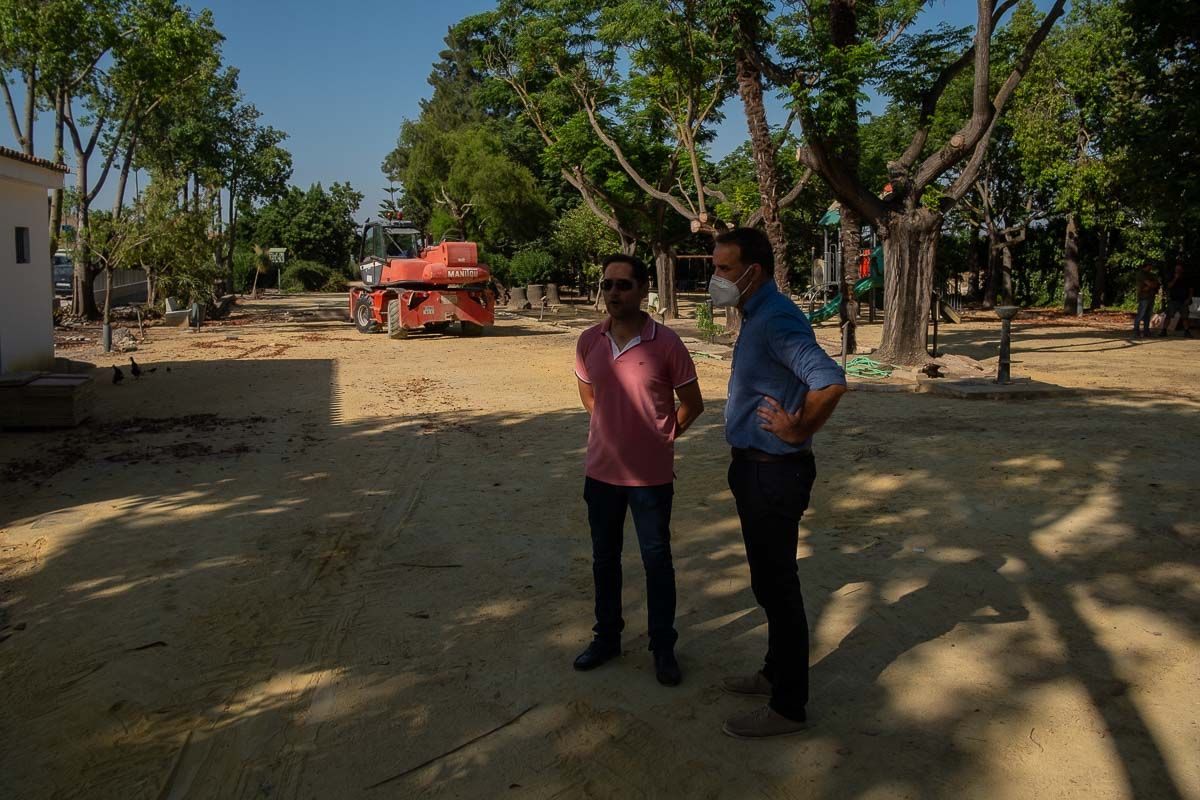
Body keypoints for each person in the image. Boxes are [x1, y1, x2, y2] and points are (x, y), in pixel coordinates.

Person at [710, 227, 847, 739]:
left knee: (779, 588)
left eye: (725, 269)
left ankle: (788, 707)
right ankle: (772, 674)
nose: (716, 278)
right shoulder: (755, 314)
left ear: (754, 272)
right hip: (753, 467)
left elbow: (830, 379)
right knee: (767, 583)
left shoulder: (777, 316)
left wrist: (800, 427)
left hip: (774, 471)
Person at [573, 254, 704, 686]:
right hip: (601, 474)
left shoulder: (666, 343)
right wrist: (613, 433)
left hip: (650, 479)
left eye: (623, 285)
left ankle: (663, 647)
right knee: (605, 560)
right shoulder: (588, 342)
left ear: (643, 289)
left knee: (656, 562)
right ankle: (607, 637)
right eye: (608, 284)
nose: (613, 293)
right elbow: (590, 398)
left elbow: (693, 404)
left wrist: (663, 436)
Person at [1159, 260, 1194, 337]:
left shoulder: (1187, 278)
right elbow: (1168, 286)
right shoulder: (1171, 276)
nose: (1178, 270)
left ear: (1182, 270)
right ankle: (1164, 331)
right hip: (1173, 300)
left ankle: (1187, 331)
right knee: (1168, 316)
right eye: (1177, 269)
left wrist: (1188, 299)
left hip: (1184, 301)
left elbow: (1191, 290)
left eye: (1179, 269)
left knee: (1185, 317)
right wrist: (1175, 279)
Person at [1134, 262, 1160, 338]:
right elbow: (1151, 284)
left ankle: (1146, 331)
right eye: (1150, 266)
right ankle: (1136, 331)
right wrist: (1151, 285)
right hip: (1143, 297)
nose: (1151, 267)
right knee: (1141, 314)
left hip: (1151, 296)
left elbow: (1156, 284)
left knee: (1148, 315)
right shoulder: (1141, 273)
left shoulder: (1151, 274)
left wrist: (1152, 285)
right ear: (1146, 266)